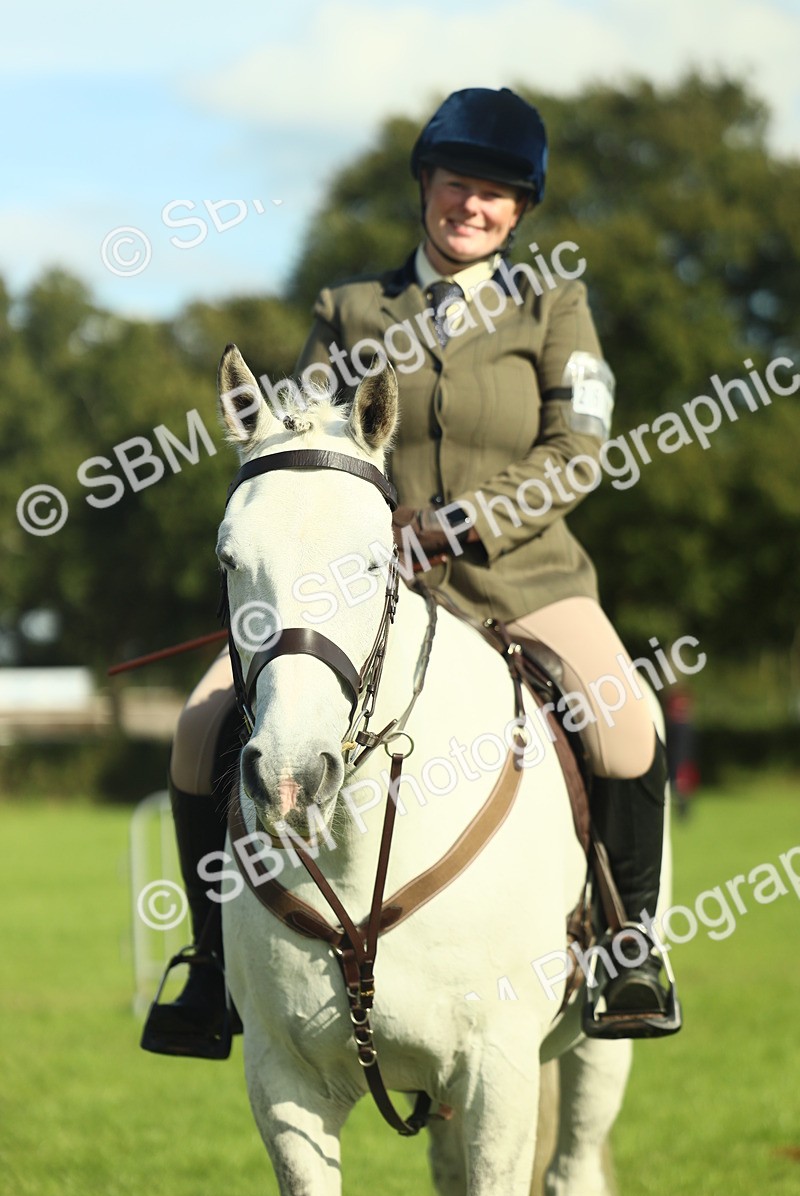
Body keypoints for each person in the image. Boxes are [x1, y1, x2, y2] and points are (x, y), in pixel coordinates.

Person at [142, 86, 679, 1058]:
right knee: (195, 730)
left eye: (496, 195)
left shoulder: (553, 304)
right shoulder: (348, 310)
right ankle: (214, 966)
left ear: (519, 213)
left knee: (624, 721)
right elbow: (299, 442)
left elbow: (578, 452)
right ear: (424, 186)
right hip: (366, 600)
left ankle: (626, 947)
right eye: (457, 184)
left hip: (525, 582)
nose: (472, 206)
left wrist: (454, 525)